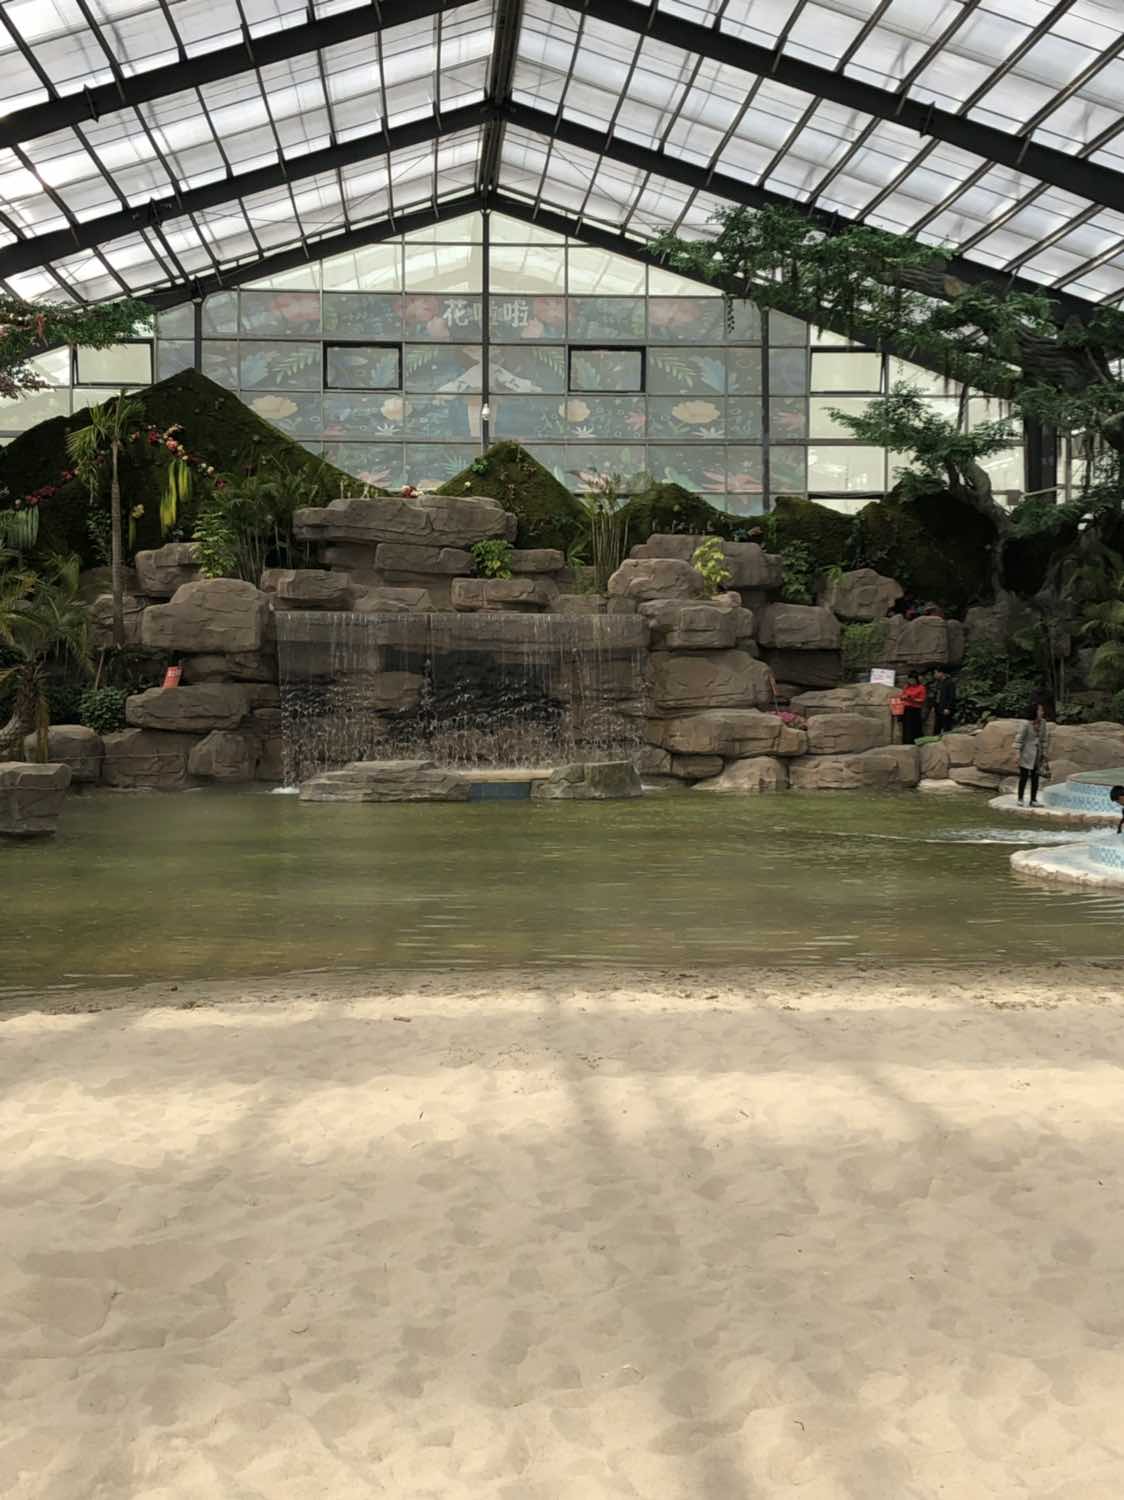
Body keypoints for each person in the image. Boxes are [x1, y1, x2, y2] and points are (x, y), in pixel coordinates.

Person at [1015, 702, 1051, 807]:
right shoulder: (1026, 723)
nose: (1042, 712)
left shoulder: (1043, 722)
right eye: (1040, 710)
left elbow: (1044, 739)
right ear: (1034, 711)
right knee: (1024, 777)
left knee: (1035, 777)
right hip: (1026, 754)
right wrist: (1017, 753)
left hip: (1037, 754)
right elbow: (1019, 739)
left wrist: (1044, 752)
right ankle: (1020, 798)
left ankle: (1033, 800)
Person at [900, 672, 927, 745]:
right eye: (910, 680)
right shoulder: (907, 687)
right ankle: (906, 742)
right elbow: (902, 696)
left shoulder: (921, 687)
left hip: (915, 709)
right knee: (907, 727)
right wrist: (903, 697)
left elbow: (922, 700)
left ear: (916, 680)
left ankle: (916, 742)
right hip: (906, 709)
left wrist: (912, 699)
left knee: (915, 727)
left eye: (912, 680)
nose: (911, 681)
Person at [933, 669, 957, 735]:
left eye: (936, 673)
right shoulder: (939, 682)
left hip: (945, 708)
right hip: (938, 707)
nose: (935, 675)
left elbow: (952, 696)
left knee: (946, 726)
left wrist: (948, 708)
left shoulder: (950, 682)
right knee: (937, 726)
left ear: (941, 673)